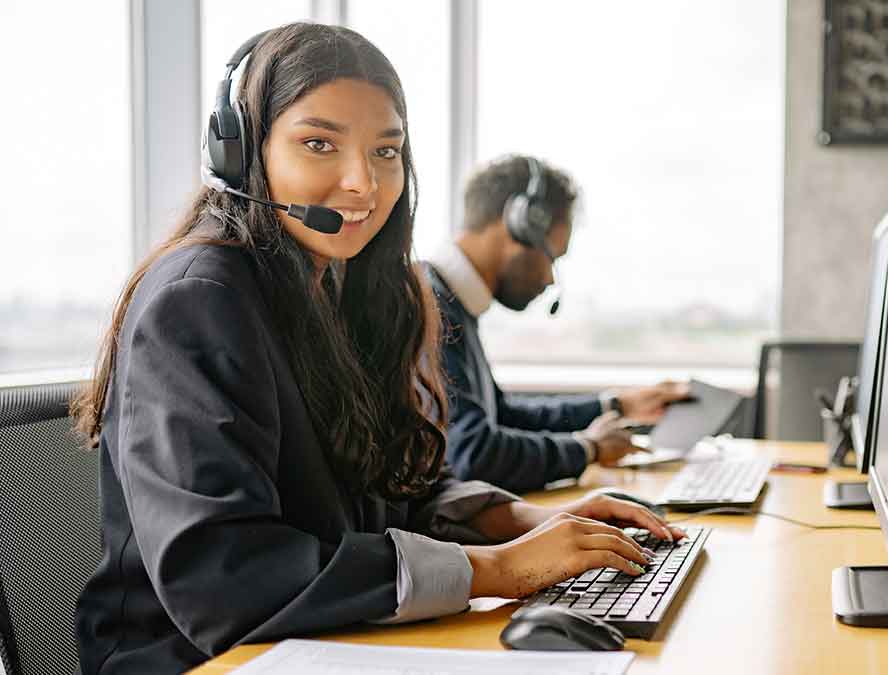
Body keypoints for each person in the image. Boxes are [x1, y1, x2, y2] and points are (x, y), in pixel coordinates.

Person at [71, 24, 681, 674]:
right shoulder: (198, 299)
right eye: (318, 143)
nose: (363, 183)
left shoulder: (337, 286)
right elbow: (222, 576)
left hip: (324, 643)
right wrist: (495, 569)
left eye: (386, 151)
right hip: (196, 660)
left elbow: (394, 489)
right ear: (243, 149)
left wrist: (524, 520)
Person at [426, 155, 690, 494]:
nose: (550, 278)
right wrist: (587, 449)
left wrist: (616, 405)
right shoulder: (431, 308)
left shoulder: (454, 301)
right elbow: (474, 454)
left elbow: (502, 415)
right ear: (519, 224)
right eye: (552, 256)